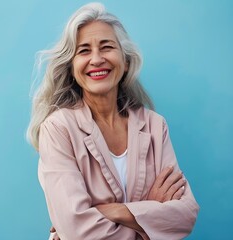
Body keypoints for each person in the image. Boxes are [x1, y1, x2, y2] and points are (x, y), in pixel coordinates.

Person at [27, 2, 199, 240]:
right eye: (84, 50)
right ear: (71, 67)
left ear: (125, 60)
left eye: (106, 47)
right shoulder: (58, 129)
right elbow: (78, 230)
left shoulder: (154, 126)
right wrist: (150, 216)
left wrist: (115, 211)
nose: (96, 59)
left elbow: (186, 214)